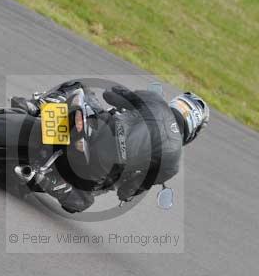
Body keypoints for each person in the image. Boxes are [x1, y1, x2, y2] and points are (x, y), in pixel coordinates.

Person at [11, 80, 209, 213]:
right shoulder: (173, 162)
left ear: (178, 103)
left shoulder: (155, 101)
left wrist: (126, 102)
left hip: (96, 131)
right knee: (82, 202)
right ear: (194, 130)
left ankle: (35, 105)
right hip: (97, 171)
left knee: (79, 87)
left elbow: (110, 95)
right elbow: (129, 190)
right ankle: (41, 176)